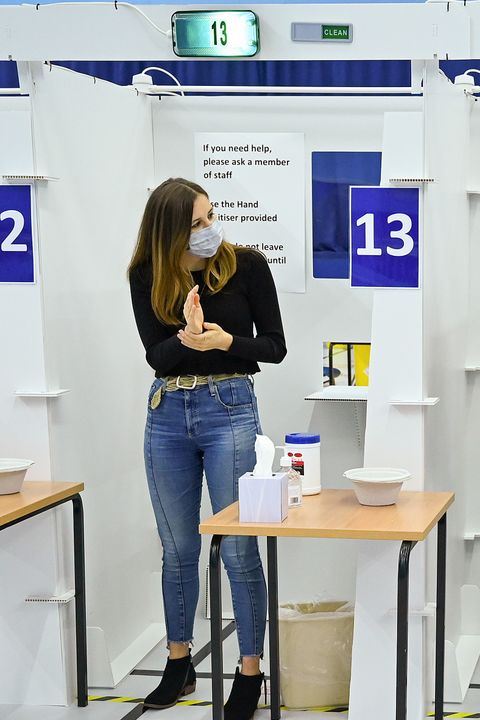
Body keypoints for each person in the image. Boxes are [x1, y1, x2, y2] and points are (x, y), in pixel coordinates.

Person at [127, 178, 286, 719]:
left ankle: (250, 669)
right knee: (177, 548)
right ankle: (179, 661)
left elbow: (275, 347)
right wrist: (185, 335)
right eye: (196, 222)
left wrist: (222, 342)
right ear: (169, 230)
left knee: (239, 548)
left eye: (210, 216)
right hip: (166, 412)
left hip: (231, 408)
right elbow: (157, 355)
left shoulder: (247, 265)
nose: (209, 229)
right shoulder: (145, 273)